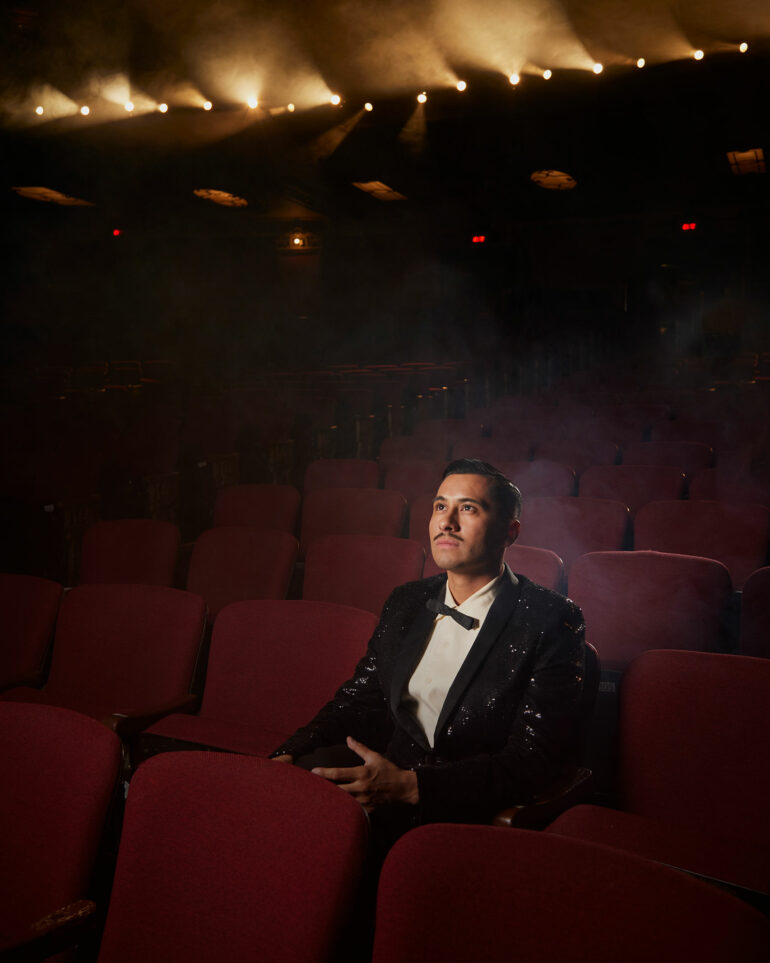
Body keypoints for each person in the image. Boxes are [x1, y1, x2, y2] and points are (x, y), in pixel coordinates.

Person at [271, 458, 586, 838]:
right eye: (440, 506)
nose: (446, 522)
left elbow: (535, 759)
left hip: (465, 809)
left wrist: (412, 787)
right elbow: (359, 699)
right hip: (384, 788)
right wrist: (288, 752)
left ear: (510, 531)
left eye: (467, 508)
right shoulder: (406, 600)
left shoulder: (551, 618)